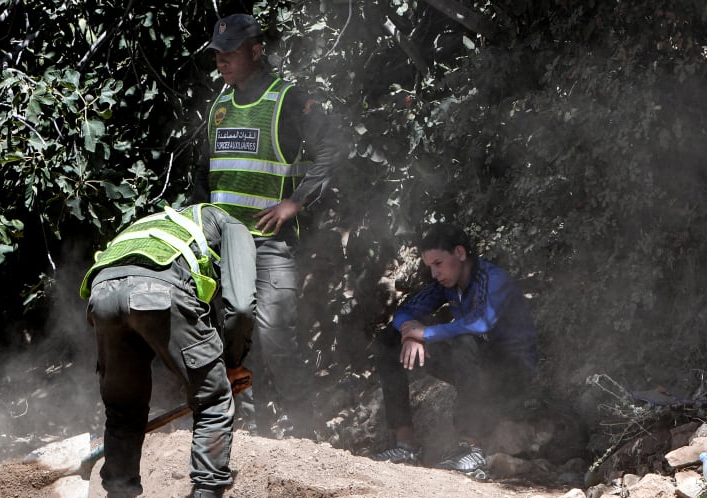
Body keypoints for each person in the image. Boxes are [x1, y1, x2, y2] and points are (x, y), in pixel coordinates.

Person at [194, 13, 343, 438]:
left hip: (271, 246)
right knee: (237, 342)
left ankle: (305, 437)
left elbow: (331, 150)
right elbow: (204, 177)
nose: (221, 60)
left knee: (278, 339)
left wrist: (294, 203)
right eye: (217, 54)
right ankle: (248, 437)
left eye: (231, 52)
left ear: (256, 51)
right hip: (224, 247)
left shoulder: (288, 100)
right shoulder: (219, 108)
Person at [79, 203, 256, 498]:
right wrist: (233, 362)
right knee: (214, 398)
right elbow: (242, 307)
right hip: (158, 290)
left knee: (123, 412)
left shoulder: (158, 223)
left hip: (101, 295)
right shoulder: (233, 226)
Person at [372, 224, 538, 474]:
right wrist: (409, 333)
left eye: (438, 263)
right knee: (388, 340)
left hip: (512, 371)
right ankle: (406, 446)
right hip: (477, 367)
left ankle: (472, 449)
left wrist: (425, 333)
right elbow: (405, 311)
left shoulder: (493, 279)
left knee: (464, 340)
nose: (435, 272)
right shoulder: (446, 285)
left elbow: (480, 322)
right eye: (430, 266)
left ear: (460, 253)